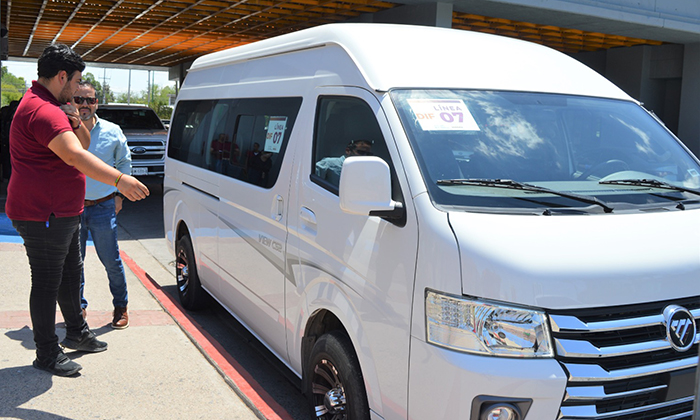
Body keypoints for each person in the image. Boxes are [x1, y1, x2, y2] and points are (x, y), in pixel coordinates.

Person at [6, 44, 149, 377]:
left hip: (62, 213)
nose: (77, 89)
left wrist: (76, 118)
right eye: (76, 81)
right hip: (42, 214)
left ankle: (76, 332)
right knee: (46, 283)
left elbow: (81, 143)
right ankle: (46, 353)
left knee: (70, 275)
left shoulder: (55, 106)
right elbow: (74, 156)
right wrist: (119, 180)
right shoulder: (41, 110)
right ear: (61, 76)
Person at [72, 81, 131, 329]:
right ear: (72, 101)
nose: (85, 105)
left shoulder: (112, 131)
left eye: (90, 100)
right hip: (72, 208)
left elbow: (124, 163)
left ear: (97, 102)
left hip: (103, 206)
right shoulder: (64, 131)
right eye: (79, 99)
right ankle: (78, 309)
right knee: (74, 263)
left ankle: (121, 307)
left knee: (111, 260)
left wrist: (119, 197)